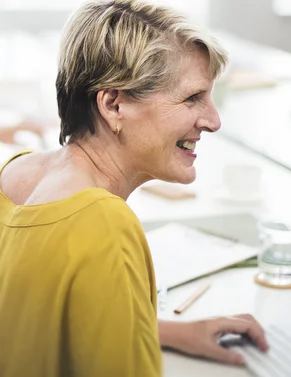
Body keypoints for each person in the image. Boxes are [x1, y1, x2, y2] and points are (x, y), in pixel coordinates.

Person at [0, 1, 269, 376]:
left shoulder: (15, 173)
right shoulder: (102, 223)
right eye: (192, 97)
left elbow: (31, 327)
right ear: (113, 105)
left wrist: (163, 331)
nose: (213, 120)